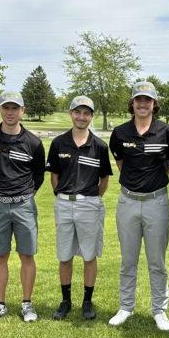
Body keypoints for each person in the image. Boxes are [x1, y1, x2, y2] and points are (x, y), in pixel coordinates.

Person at [108, 81, 169, 330]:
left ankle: (159, 310)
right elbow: (121, 164)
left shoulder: (167, 132)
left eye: (147, 100)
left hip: (157, 202)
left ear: (154, 104)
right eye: (138, 99)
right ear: (132, 103)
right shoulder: (120, 133)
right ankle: (126, 306)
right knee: (128, 260)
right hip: (128, 201)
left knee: (156, 260)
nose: (143, 104)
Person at [0, 91, 46, 323]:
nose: (10, 112)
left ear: (22, 111)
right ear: (0, 109)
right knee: (0, 256)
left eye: (15, 108)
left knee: (27, 255)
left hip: (24, 205)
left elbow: (38, 176)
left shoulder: (33, 142)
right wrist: (1, 192)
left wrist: (23, 195)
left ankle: (27, 304)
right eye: (6, 107)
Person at [46, 96, 113, 320]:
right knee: (64, 256)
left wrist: (91, 198)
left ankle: (87, 301)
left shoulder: (100, 147)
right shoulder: (58, 143)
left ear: (91, 116)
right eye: (78, 112)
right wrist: (63, 195)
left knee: (89, 255)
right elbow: (54, 176)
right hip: (64, 204)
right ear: (71, 113)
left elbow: (104, 180)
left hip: (89, 205)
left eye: (86, 113)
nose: (81, 117)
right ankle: (65, 301)